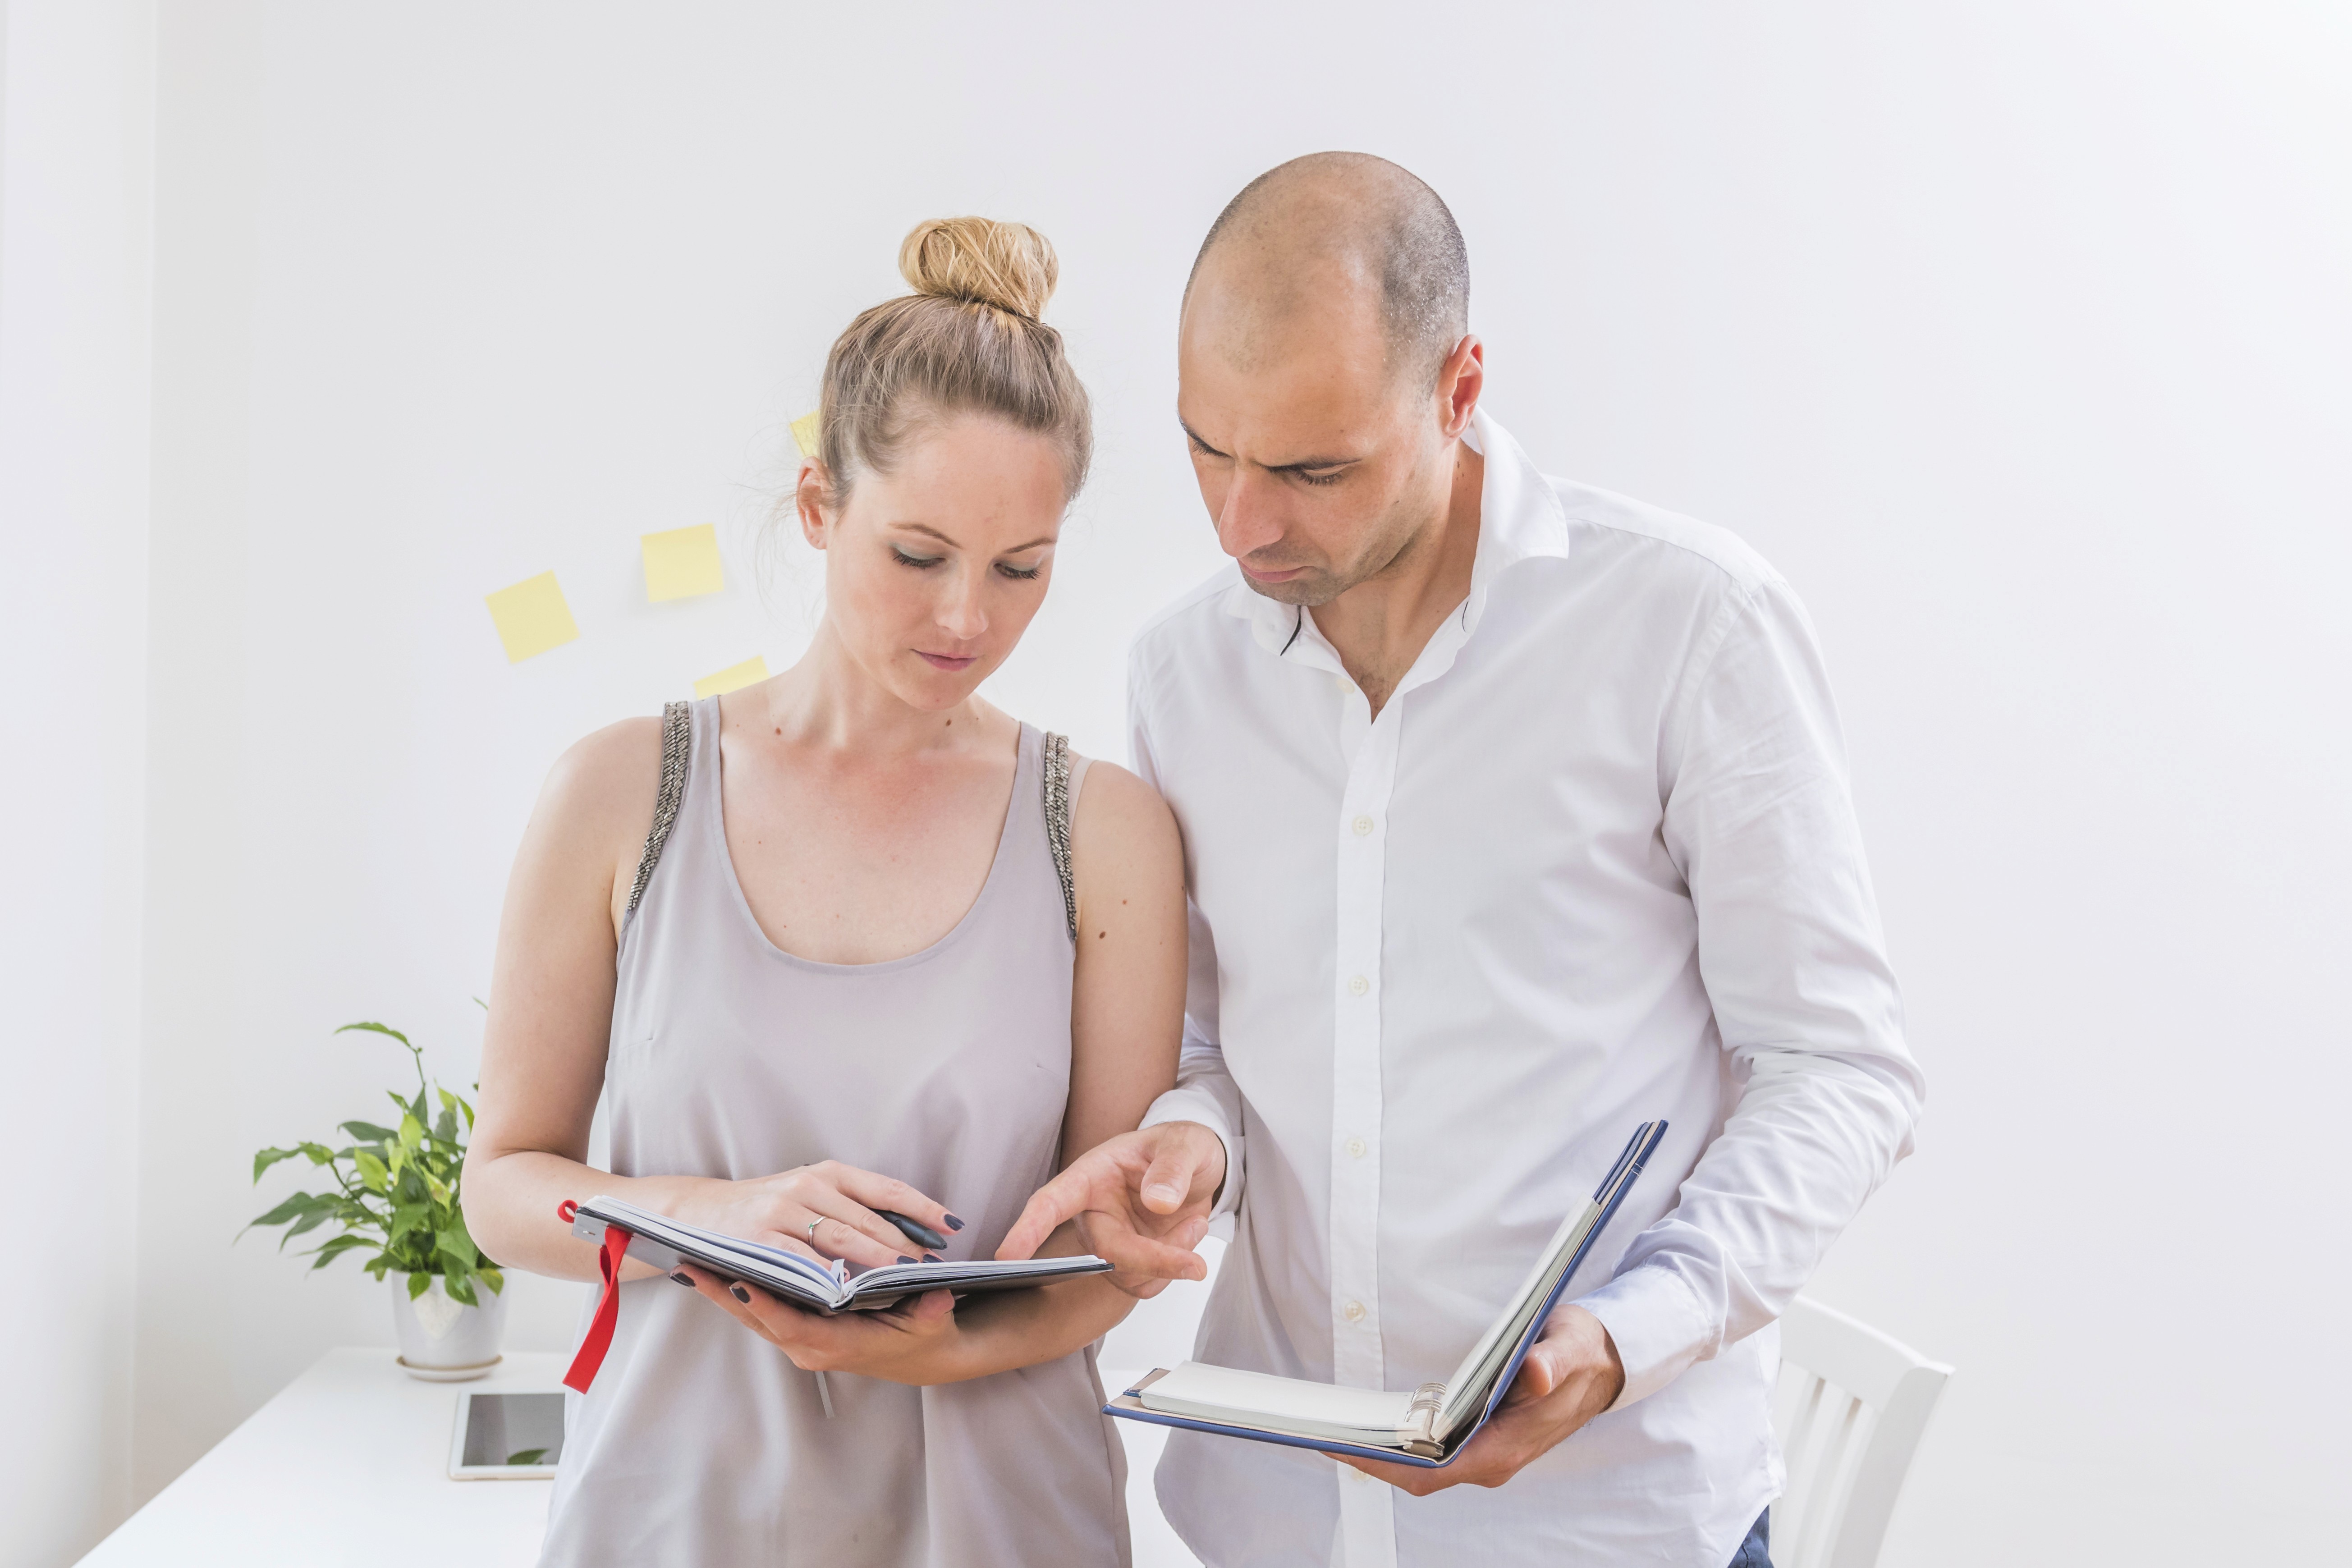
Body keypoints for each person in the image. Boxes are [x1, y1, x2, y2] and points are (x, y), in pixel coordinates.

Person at [1000, 154, 1926, 1568]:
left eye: (1314, 468)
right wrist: (1189, 1143)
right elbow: (1214, 1045)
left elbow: (1836, 1070)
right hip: (1279, 1519)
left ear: (1457, 387)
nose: (1245, 522)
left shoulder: (1686, 625)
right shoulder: (1184, 673)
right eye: (1206, 448)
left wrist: (1628, 1335)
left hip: (1609, 1524)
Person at [463, 216, 1190, 1568]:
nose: (966, 616)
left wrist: (945, 1357)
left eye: (1020, 567)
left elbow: (1100, 1251)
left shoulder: (1107, 831)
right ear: (817, 505)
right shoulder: (620, 791)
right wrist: (711, 1219)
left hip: (1001, 1519)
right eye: (917, 555)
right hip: (674, 1514)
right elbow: (501, 1186)